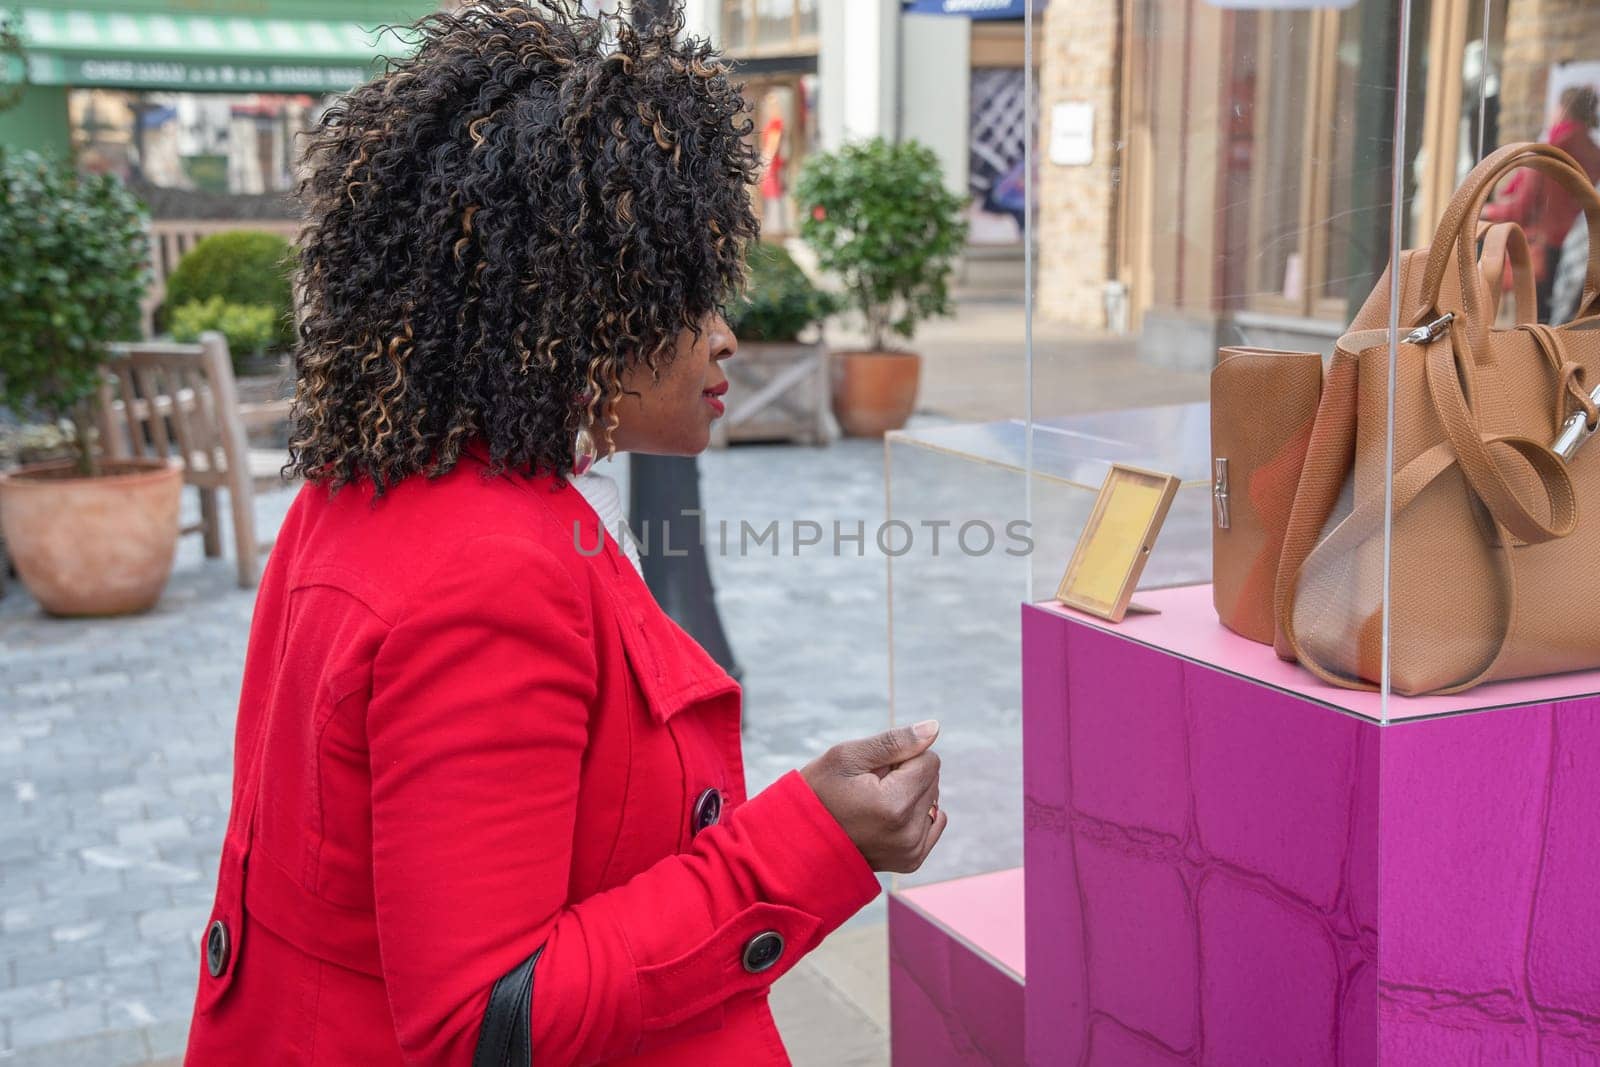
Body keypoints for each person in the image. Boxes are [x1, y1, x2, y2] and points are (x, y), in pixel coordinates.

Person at [181, 4, 946, 1064]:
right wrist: (809, 843)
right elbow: (486, 1016)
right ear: (572, 304)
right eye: (684, 289)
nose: (723, 330)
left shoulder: (378, 484)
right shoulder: (489, 565)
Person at [1482, 85, 1600, 320]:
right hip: (1583, 252)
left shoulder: (1552, 151)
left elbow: (1521, 208)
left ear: (1563, 109)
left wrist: (1485, 210)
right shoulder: (1595, 152)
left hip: (1546, 249)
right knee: (1568, 324)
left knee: (1538, 326)